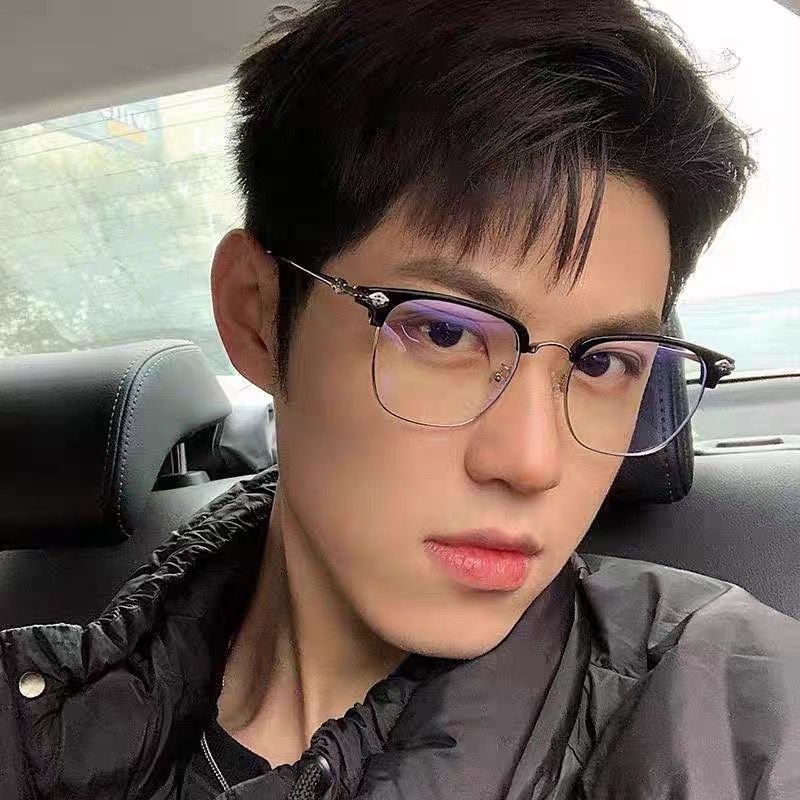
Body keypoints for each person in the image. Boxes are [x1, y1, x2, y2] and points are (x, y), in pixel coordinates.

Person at [2, 1, 799, 798]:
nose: (533, 462)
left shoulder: (737, 713)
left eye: (605, 362)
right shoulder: (32, 729)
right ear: (257, 316)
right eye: (446, 333)